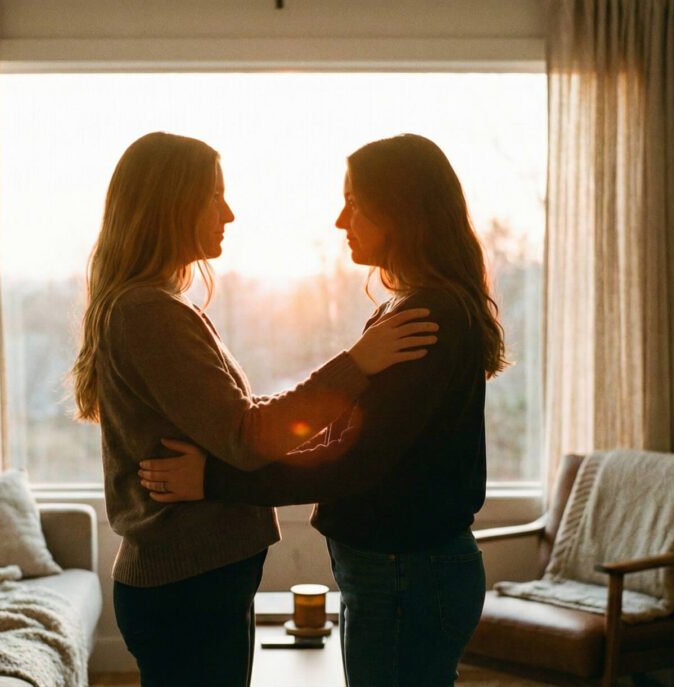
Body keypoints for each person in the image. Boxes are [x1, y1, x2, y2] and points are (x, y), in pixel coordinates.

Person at [70, 131, 439, 687]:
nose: (230, 213)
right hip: (188, 586)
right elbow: (246, 435)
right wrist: (356, 364)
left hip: (195, 582)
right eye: (214, 195)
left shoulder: (156, 307)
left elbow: (233, 423)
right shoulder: (149, 312)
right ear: (171, 204)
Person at [138, 133, 506, 687]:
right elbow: (344, 439)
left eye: (354, 201)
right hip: (397, 570)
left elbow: (354, 462)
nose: (340, 220)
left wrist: (215, 479)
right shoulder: (408, 307)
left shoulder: (429, 314)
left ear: (400, 208)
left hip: (406, 572)